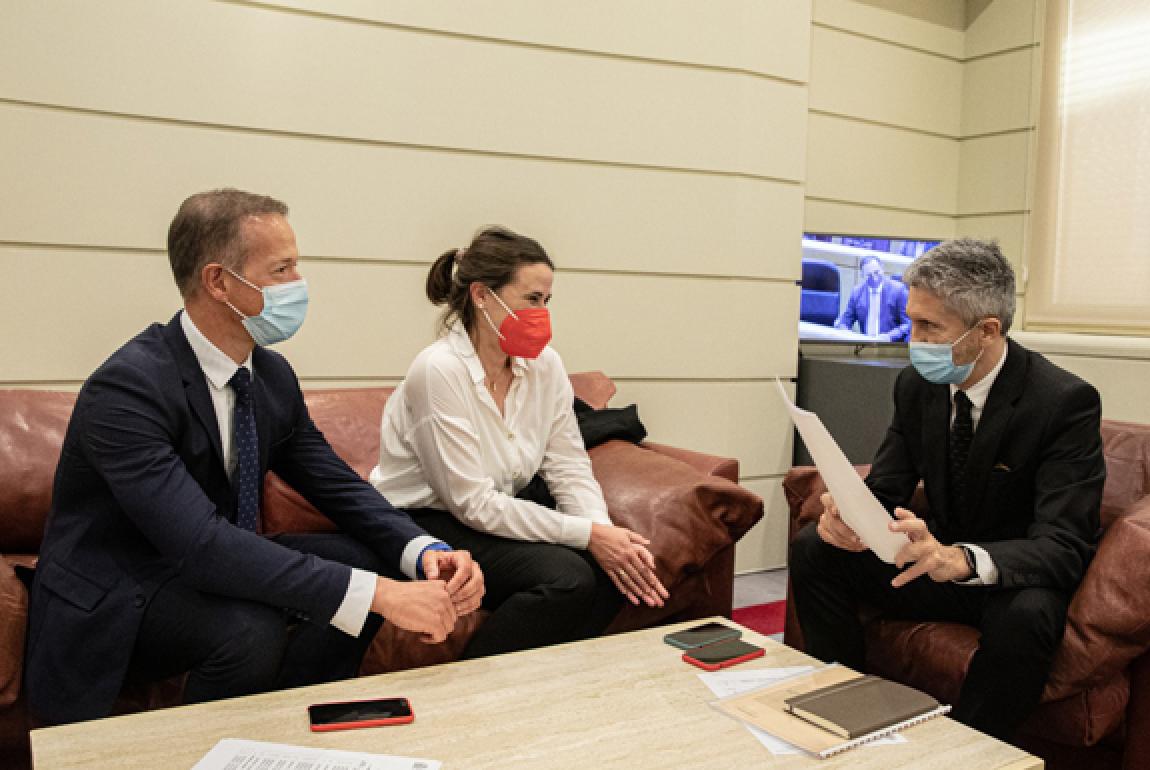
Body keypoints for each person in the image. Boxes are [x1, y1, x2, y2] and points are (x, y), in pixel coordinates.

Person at [25, 189, 484, 726]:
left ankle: (296, 725)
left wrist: (423, 551)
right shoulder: (128, 387)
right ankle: (211, 755)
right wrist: (382, 597)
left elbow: (338, 486)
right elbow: (199, 544)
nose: (299, 285)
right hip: (122, 584)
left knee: (369, 559)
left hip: (200, 565)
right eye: (282, 269)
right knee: (250, 630)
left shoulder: (270, 377)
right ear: (219, 282)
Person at [789, 238, 1104, 741]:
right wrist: (847, 512)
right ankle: (840, 704)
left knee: (1029, 616)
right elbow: (889, 486)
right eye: (911, 320)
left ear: (986, 331)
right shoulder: (917, 385)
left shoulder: (1063, 402)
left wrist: (963, 558)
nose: (911, 339)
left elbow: (1065, 545)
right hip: (932, 561)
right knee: (813, 549)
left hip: (1006, 577)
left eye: (928, 327)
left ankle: (966, 748)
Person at [370, 226, 669, 659]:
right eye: (531, 299)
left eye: (547, 301)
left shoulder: (545, 365)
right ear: (481, 295)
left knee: (615, 572)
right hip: (422, 519)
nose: (541, 312)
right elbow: (471, 503)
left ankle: (543, 691)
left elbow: (567, 463)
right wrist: (586, 535)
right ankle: (471, 691)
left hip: (491, 511)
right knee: (566, 578)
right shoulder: (438, 370)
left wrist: (603, 534)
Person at [835, 255, 910, 341]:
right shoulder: (856, 292)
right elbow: (845, 321)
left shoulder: (899, 290)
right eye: (868, 275)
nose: (874, 278)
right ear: (862, 275)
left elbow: (908, 324)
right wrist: (844, 330)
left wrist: (889, 336)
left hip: (890, 345)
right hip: (865, 345)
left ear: (882, 269)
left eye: (876, 272)